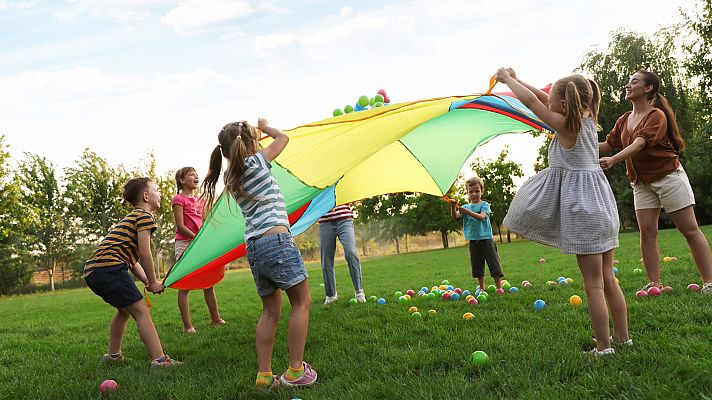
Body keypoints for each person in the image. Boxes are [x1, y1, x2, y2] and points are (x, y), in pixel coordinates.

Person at [496, 68, 630, 356]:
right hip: (603, 208)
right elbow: (543, 98)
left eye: (553, 102)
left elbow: (533, 103)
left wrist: (507, 82)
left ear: (565, 106)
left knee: (593, 284)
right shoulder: (588, 120)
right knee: (608, 279)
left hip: (585, 212)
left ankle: (604, 347)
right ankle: (622, 337)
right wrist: (517, 79)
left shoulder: (567, 127)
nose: (548, 105)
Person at [201, 119, 316, 389]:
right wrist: (268, 128)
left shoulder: (231, 176)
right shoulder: (257, 162)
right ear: (252, 143)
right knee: (302, 302)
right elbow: (284, 139)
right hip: (276, 240)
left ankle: (264, 376)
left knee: (269, 311)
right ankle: (296, 370)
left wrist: (254, 137)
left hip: (254, 248)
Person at [599, 69, 712, 294]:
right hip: (641, 183)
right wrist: (574, 142)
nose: (628, 85)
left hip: (668, 177)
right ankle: (654, 284)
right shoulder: (624, 119)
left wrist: (613, 160)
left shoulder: (656, 115)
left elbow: (640, 143)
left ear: (648, 88)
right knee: (647, 233)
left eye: (634, 81)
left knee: (689, 229)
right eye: (628, 81)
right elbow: (607, 145)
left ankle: (709, 282)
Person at [84, 177, 182, 367]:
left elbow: (131, 260)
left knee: (123, 310)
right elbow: (145, 252)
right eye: (156, 189)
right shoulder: (144, 217)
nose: (159, 193)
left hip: (94, 271)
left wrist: (146, 280)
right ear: (146, 196)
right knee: (141, 312)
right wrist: (153, 281)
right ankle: (160, 361)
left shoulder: (130, 218)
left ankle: (113, 356)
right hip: (110, 268)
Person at [172, 166, 226, 333]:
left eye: (196, 174)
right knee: (185, 285)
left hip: (199, 244)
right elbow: (180, 226)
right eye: (191, 174)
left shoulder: (200, 200)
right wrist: (197, 239)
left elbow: (204, 222)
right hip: (185, 244)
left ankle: (215, 319)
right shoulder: (178, 199)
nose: (196, 176)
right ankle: (188, 326)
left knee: (208, 283)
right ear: (182, 180)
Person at [449, 177, 504, 292]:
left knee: (493, 263)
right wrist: (453, 206)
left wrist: (467, 212)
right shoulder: (465, 207)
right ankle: (482, 288)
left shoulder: (484, 205)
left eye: (477, 191)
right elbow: (455, 216)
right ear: (467, 193)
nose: (474, 194)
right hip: (473, 241)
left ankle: (499, 287)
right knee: (477, 266)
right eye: (471, 192)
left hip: (486, 240)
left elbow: (482, 217)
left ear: (482, 191)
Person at [318, 204, 366, 304]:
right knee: (326, 259)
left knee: (351, 252)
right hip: (324, 222)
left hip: (344, 219)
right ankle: (331, 295)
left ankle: (359, 291)